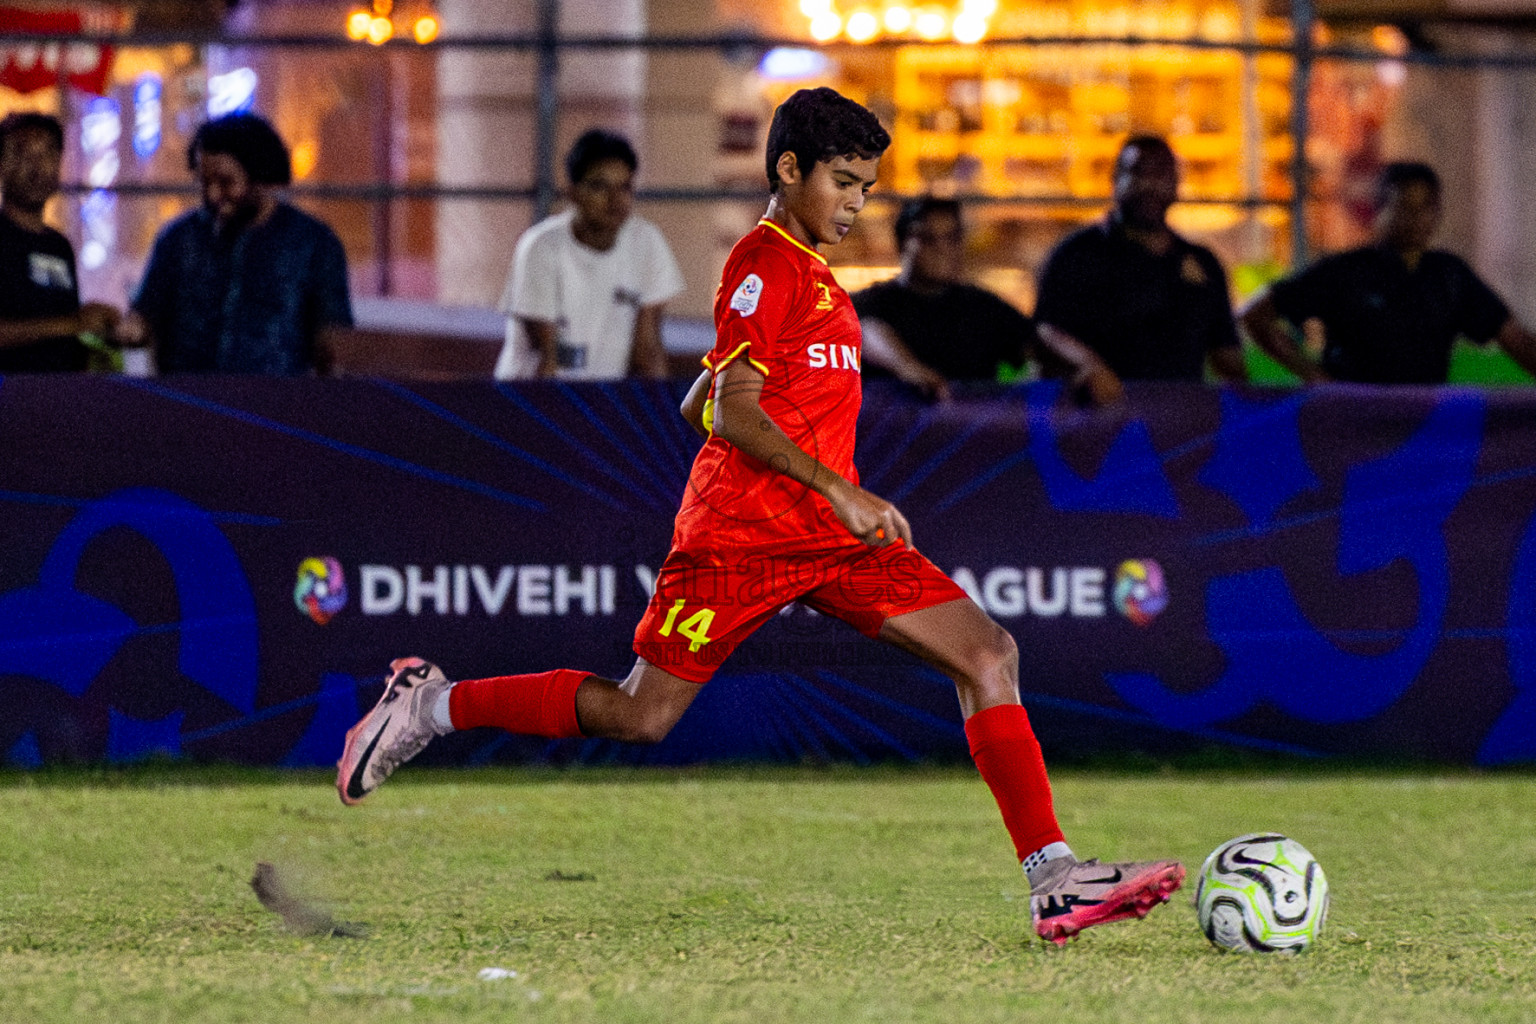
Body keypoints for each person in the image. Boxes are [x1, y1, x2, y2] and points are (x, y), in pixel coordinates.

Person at [337, 86, 1184, 947]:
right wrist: (840, 486)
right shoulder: (760, 262)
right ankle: (427, 705)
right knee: (641, 715)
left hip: (829, 540)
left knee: (988, 652)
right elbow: (736, 411)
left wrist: (799, 466)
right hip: (742, 535)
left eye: (866, 187)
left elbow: (708, 398)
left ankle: (1055, 879)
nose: (859, 203)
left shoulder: (812, 276)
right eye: (845, 182)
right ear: (789, 169)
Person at [1239, 161, 1536, 384]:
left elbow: (1513, 338)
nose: (1416, 219)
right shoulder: (1345, 271)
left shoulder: (1449, 276)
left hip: (1422, 429)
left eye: (1426, 208)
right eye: (1404, 208)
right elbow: (1255, 315)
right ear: (1379, 211)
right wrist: (1314, 377)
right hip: (1353, 424)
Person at [115, 112, 353, 374]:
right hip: (187, 400)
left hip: (272, 407)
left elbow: (333, 333)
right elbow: (148, 310)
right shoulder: (178, 238)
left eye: (227, 182)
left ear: (260, 175)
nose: (214, 195)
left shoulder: (313, 243)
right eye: (205, 183)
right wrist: (134, 326)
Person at [1033, 136, 1247, 405]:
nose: (1150, 185)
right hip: (1094, 426)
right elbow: (1045, 332)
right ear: (1115, 180)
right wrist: (1090, 367)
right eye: (1138, 173)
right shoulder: (1077, 254)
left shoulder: (1203, 264)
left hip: (1175, 431)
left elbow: (1226, 356)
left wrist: (1251, 409)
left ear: (1176, 184)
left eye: (1161, 174)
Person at [493, 128, 684, 380]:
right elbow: (546, 356)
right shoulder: (541, 247)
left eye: (624, 187)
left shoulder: (646, 242)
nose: (615, 200)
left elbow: (647, 351)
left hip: (606, 403)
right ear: (572, 191)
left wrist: (660, 414)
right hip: (535, 402)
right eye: (599, 187)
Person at [851, 196, 1035, 399]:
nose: (941, 248)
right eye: (927, 238)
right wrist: (911, 370)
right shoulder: (873, 302)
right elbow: (863, 331)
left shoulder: (985, 307)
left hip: (968, 425)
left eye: (952, 238)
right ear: (903, 243)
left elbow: (1035, 345)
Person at [0, 112, 120, 371]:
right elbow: (66, 323)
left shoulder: (58, 245)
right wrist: (71, 324)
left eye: (46, 154)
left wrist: (99, 326)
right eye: (21, 154)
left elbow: (64, 318)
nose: (36, 167)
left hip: (61, 395)